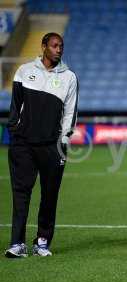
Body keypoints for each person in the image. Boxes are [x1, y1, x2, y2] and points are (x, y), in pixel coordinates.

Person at [5, 32, 78, 258]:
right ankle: (17, 243)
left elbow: (70, 112)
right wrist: (16, 129)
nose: (59, 49)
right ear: (44, 46)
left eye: (61, 46)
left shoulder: (69, 77)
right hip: (23, 145)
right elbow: (15, 106)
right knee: (20, 194)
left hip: (51, 146)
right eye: (55, 45)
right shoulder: (24, 72)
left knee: (49, 195)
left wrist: (63, 140)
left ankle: (42, 242)